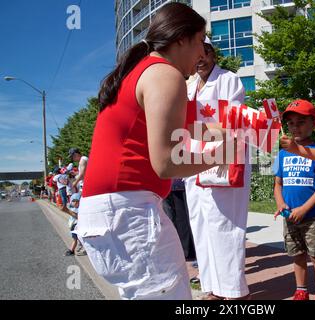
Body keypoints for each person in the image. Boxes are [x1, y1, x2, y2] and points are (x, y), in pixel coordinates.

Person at [76, 3, 230, 300]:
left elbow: (194, 129)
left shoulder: (141, 71)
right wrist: (222, 157)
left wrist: (246, 131)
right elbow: (166, 162)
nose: (203, 53)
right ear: (181, 38)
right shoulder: (165, 74)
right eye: (201, 40)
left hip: (106, 213)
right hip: (128, 211)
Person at [184, 36, 251, 300]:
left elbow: (233, 122)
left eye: (205, 52)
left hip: (221, 161)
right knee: (200, 225)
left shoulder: (228, 79)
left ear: (213, 55)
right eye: (196, 53)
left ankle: (234, 291)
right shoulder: (189, 86)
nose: (200, 58)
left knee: (224, 226)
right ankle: (212, 286)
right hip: (193, 163)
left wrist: (193, 131)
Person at [273, 99, 315, 300]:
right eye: (291, 123)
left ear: (314, 124)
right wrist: (280, 203)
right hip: (289, 217)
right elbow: (278, 184)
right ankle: (301, 290)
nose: (295, 127)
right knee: (296, 255)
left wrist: (305, 208)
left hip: (312, 216)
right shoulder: (282, 153)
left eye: (301, 122)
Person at [162, 178, 196, 261]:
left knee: (182, 218)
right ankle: (187, 251)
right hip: (175, 185)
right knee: (180, 218)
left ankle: (188, 251)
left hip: (179, 184)